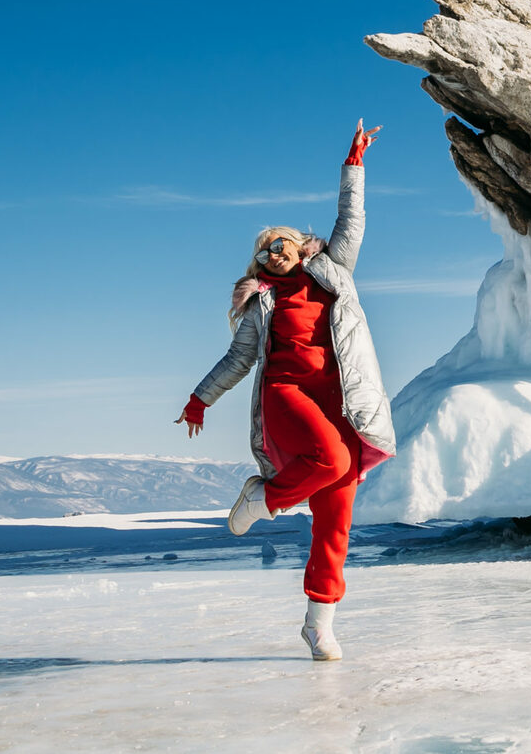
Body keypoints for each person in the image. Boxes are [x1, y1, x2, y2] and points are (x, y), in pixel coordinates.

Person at [175, 119, 396, 661]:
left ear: (300, 246)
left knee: (337, 515)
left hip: (340, 403)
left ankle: (318, 624)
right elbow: (240, 357)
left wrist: (354, 164)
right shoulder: (263, 305)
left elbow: (352, 219)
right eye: (263, 252)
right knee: (331, 455)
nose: (272, 254)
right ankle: (264, 498)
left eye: (279, 244)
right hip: (285, 396)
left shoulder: (334, 270)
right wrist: (200, 398)